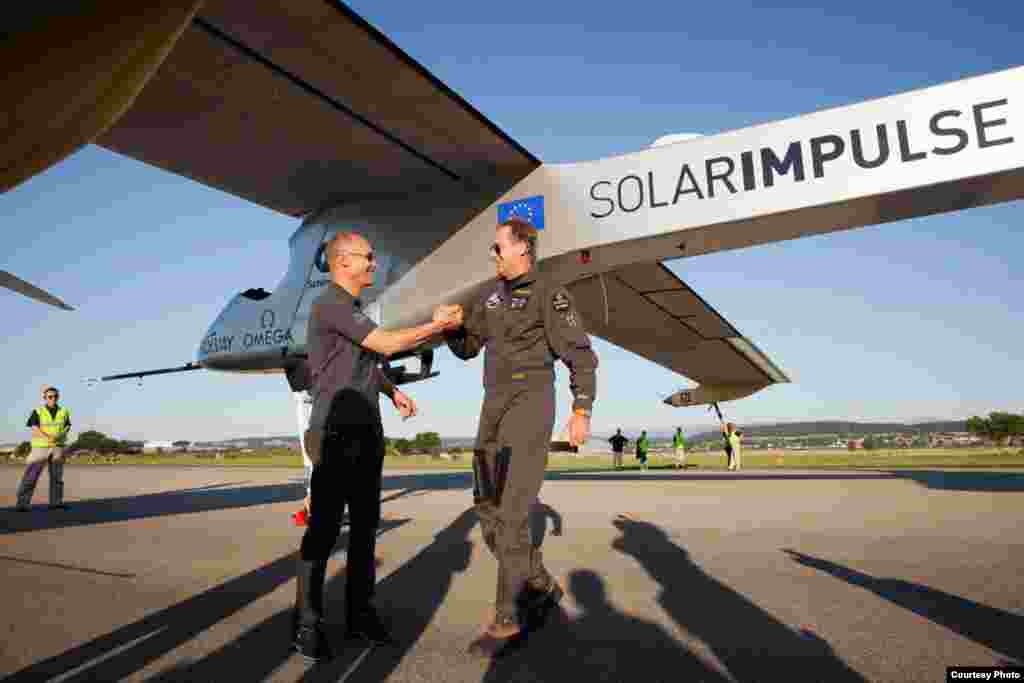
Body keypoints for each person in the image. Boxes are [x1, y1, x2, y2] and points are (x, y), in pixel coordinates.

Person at [291, 230, 462, 662]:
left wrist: (391, 391)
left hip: (366, 432)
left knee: (366, 530)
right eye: (368, 257)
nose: (374, 263)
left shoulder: (351, 309)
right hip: (333, 434)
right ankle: (306, 626)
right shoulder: (330, 303)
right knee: (325, 531)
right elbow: (385, 344)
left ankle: (359, 616)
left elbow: (367, 361)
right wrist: (438, 326)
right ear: (344, 262)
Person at [442, 216, 598, 656]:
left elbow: (580, 356)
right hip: (491, 411)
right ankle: (542, 584)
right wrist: (452, 327)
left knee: (511, 517)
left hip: (530, 410)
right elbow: (468, 347)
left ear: (522, 249)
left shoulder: (551, 294)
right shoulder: (487, 296)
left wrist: (581, 409)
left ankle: (506, 620)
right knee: (487, 514)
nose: (492, 255)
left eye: (497, 248)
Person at [16, 386, 72, 511]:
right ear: (45, 398)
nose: (53, 399)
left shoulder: (64, 411)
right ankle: (22, 503)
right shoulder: (38, 411)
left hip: (58, 448)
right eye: (50, 396)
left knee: (57, 477)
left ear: (58, 397)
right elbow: (34, 428)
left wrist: (60, 435)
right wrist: (49, 437)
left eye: (55, 396)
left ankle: (56, 502)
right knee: (31, 476)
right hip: (40, 448)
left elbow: (67, 426)